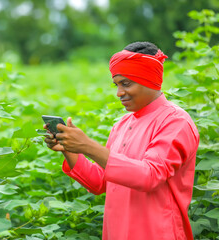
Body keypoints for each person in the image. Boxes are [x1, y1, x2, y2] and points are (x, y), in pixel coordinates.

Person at [44, 42, 199, 240]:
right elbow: (100, 182)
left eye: (126, 84)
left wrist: (88, 145)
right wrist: (70, 148)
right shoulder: (122, 124)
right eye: (116, 84)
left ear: (150, 80)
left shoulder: (176, 121)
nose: (119, 93)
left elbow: (150, 175)